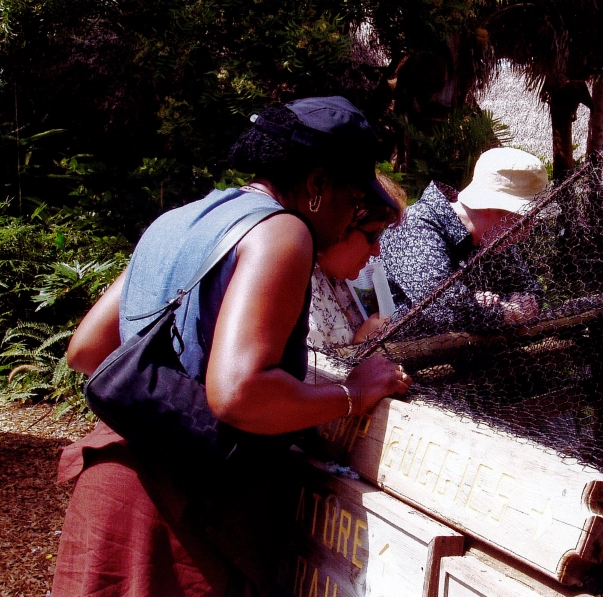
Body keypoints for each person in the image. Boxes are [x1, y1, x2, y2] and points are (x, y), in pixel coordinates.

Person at [52, 96, 413, 597]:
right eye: (354, 200)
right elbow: (240, 393)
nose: (353, 216)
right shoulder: (283, 231)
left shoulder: (181, 218)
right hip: (180, 514)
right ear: (316, 186)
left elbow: (88, 350)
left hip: (112, 483)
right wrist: (353, 394)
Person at [379, 147, 548, 333]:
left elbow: (531, 291)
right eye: (524, 219)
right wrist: (505, 312)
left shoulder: (494, 237)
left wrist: (503, 304)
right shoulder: (414, 226)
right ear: (490, 207)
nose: (526, 233)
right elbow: (443, 310)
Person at [308, 173, 406, 348]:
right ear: (342, 225)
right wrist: (361, 347)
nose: (377, 250)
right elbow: (309, 364)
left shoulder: (346, 279)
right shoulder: (301, 284)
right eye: (373, 236)